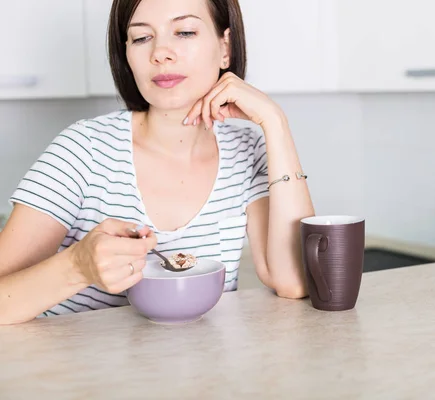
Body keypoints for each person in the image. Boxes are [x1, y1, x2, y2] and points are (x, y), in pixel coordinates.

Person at [0, 0, 315, 325]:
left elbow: (295, 281)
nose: (160, 53)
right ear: (126, 55)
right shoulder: (84, 150)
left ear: (225, 47)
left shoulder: (246, 151)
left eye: (184, 31)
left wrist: (275, 123)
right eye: (141, 38)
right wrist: (79, 266)